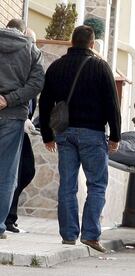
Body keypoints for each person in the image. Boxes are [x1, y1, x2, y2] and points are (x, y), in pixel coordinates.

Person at [39, 25, 121, 253]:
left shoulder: (56, 67)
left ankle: (68, 235)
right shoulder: (100, 67)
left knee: (67, 184)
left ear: (71, 42)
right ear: (92, 45)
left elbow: (45, 103)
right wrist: (115, 135)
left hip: (64, 134)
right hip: (93, 134)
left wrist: (48, 135)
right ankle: (91, 235)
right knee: (96, 184)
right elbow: (112, 105)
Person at [0, 19, 44, 239]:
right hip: (13, 116)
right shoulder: (31, 49)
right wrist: (9, 100)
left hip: (11, 112)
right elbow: (37, 83)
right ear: (24, 30)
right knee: (6, 173)